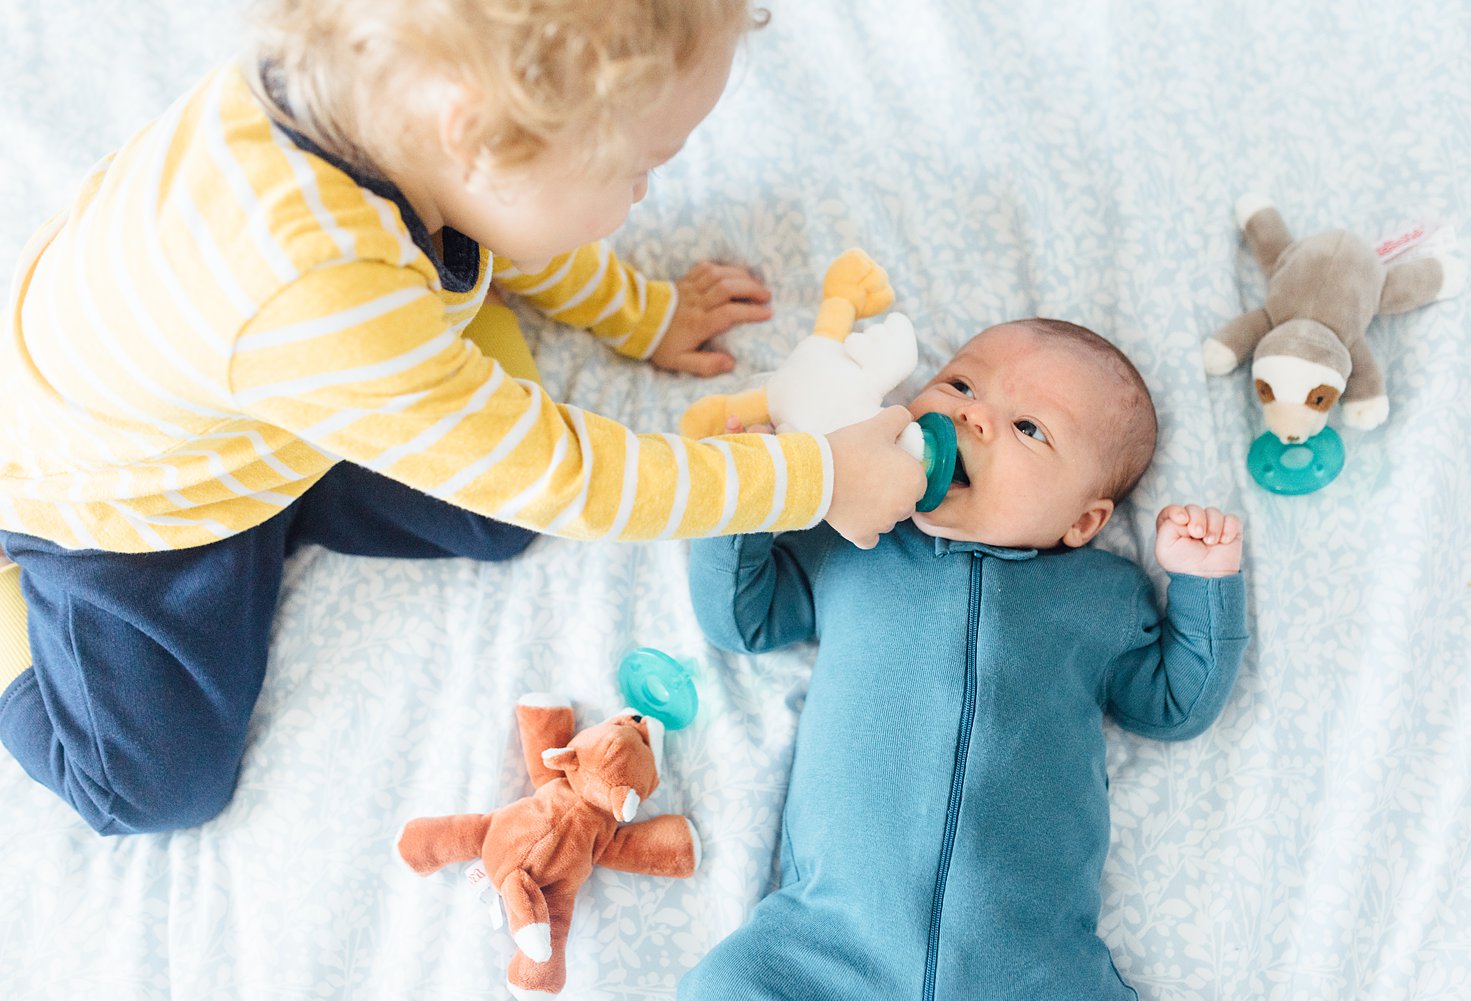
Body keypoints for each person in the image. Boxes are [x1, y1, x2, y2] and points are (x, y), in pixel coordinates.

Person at [0, 0, 925, 837]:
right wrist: (820, 475)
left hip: (265, 410)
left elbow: (495, 222)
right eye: (641, 168)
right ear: (479, 133)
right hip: (120, 503)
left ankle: (396, 409)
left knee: (494, 514)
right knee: (156, 786)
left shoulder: (396, 119)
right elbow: (577, 479)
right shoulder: (315, 293)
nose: (644, 194)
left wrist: (638, 311)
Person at [681, 318, 1249, 1000]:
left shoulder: (1103, 596)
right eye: (958, 383)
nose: (971, 415)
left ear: (1085, 521)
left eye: (1029, 428)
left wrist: (1203, 581)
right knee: (726, 983)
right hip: (825, 943)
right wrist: (750, 496)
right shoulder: (854, 539)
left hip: (1030, 964)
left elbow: (1172, 702)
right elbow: (743, 617)